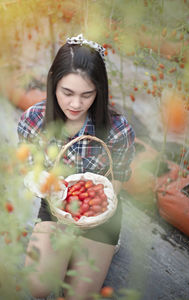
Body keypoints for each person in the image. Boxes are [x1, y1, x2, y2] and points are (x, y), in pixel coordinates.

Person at [17, 33, 135, 300]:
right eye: (67, 92)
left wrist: (97, 210)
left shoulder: (118, 130)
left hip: (98, 211)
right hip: (56, 205)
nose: (75, 104)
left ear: (99, 91)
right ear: (53, 85)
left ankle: (104, 244)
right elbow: (29, 167)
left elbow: (119, 179)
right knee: (39, 287)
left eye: (87, 95)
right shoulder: (34, 120)